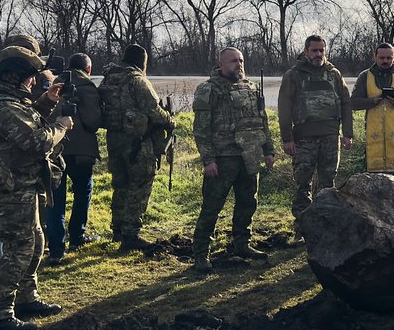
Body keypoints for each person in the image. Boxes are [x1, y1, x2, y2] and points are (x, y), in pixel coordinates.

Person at [0, 47, 72, 330]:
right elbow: (37, 140)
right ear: (20, 79)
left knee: (35, 242)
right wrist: (61, 127)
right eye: (30, 79)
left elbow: (22, 126)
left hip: (20, 182)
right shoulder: (4, 107)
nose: (32, 83)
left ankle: (27, 299)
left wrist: (47, 102)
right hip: (13, 186)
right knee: (19, 249)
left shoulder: (4, 101)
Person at [193, 47, 277, 272]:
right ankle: (201, 254)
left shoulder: (251, 87)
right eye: (233, 61)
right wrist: (208, 160)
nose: (238, 64)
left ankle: (242, 244)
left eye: (241, 61)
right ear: (221, 64)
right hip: (223, 158)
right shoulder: (208, 90)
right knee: (212, 206)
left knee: (248, 202)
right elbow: (201, 129)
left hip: (249, 155)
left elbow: (262, 120)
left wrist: (268, 150)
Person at [98, 44, 174, 251]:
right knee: (140, 184)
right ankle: (131, 234)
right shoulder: (137, 80)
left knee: (120, 184)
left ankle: (118, 230)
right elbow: (154, 110)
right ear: (143, 62)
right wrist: (170, 121)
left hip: (114, 138)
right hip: (137, 141)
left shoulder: (109, 79)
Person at [277, 36, 351, 221]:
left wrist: (347, 134)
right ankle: (302, 226)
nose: (318, 54)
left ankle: (324, 223)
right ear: (306, 51)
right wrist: (287, 138)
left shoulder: (333, 74)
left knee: (327, 183)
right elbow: (284, 107)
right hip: (304, 139)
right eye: (314, 50)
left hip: (330, 137)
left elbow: (346, 103)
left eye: (321, 51)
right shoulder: (293, 75)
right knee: (302, 183)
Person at [42, 53, 101, 264]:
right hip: (81, 153)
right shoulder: (87, 88)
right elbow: (94, 121)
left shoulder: (51, 86)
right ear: (88, 69)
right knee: (82, 193)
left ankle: (56, 248)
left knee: (55, 199)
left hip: (54, 149)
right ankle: (77, 236)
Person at [351, 43, 394, 172]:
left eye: (389, 58)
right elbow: (353, 103)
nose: (385, 61)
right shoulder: (365, 76)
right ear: (375, 57)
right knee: (373, 179)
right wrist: (372, 101)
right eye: (382, 58)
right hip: (373, 135)